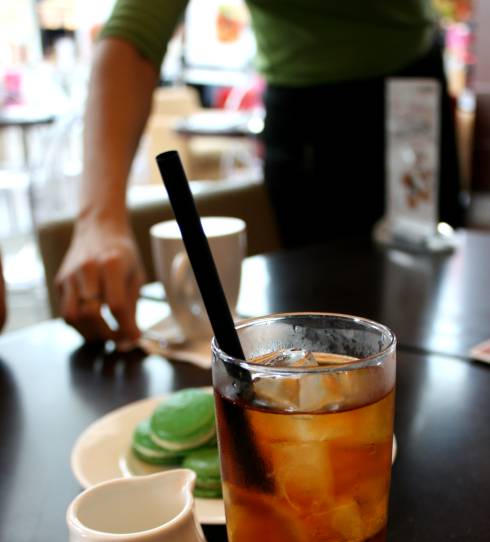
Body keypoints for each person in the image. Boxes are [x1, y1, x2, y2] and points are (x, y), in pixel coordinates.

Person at [57, 0, 461, 343]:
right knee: (315, 339)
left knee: (427, 319)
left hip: (418, 98)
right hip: (310, 120)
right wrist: (99, 220)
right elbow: (134, 32)